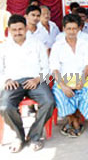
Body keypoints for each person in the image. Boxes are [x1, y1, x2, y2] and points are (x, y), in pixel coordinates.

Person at [0, 15, 55, 152]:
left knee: (49, 102)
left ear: (26, 28)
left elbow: (47, 68)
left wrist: (37, 79)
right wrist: (6, 80)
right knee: (4, 107)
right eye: (14, 30)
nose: (18, 32)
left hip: (35, 80)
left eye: (20, 29)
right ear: (9, 30)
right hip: (13, 82)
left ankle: (34, 136)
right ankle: (18, 136)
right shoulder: (4, 47)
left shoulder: (37, 44)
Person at [50, 14, 88, 138]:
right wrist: (63, 86)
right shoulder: (57, 46)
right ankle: (73, 119)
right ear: (64, 29)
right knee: (60, 96)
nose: (71, 32)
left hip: (81, 79)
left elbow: (87, 64)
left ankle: (73, 119)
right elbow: (54, 69)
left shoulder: (84, 43)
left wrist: (82, 79)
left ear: (79, 29)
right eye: (69, 28)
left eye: (74, 28)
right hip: (63, 80)